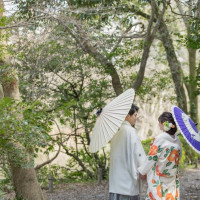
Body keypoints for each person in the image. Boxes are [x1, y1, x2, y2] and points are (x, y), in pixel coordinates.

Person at [138, 112, 182, 200]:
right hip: (172, 177)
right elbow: (179, 157)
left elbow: (151, 158)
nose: (158, 125)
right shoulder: (177, 140)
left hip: (160, 177)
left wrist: (142, 171)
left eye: (159, 122)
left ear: (164, 124)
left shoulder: (160, 138)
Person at [109, 104, 146, 200]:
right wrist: (144, 170)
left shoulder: (116, 132)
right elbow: (138, 154)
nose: (136, 118)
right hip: (127, 182)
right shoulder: (130, 131)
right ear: (127, 116)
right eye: (135, 115)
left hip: (115, 181)